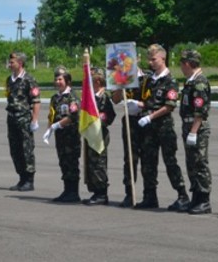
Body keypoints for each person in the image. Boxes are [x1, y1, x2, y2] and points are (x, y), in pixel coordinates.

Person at [132, 44, 188, 211]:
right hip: (148, 129)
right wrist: (137, 104)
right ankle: (150, 195)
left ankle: (182, 195)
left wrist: (150, 116)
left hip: (163, 127)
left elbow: (169, 105)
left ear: (163, 58)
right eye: (149, 59)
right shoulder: (149, 80)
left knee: (170, 162)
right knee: (148, 162)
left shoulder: (170, 81)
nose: (151, 62)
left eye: (153, 59)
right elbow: (146, 99)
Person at [178, 50, 212, 214]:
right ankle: (196, 197)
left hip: (196, 127)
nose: (181, 67)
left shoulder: (199, 82)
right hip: (189, 126)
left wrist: (193, 132)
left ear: (187, 64)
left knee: (199, 163)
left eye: (182, 63)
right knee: (191, 164)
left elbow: (200, 110)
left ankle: (204, 200)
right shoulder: (190, 81)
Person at [111, 64, 148, 207]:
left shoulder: (147, 79)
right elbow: (115, 99)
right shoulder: (123, 79)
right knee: (130, 159)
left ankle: (149, 194)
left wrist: (139, 104)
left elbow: (153, 102)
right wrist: (120, 86)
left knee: (147, 160)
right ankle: (129, 193)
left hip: (144, 121)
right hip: (129, 122)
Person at [43, 67, 81, 203]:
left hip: (71, 136)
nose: (57, 82)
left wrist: (58, 125)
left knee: (71, 163)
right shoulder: (55, 98)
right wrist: (49, 130)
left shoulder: (72, 97)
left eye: (60, 79)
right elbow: (52, 115)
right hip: (60, 137)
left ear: (68, 81)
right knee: (63, 163)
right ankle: (67, 190)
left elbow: (74, 115)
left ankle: (74, 193)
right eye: (56, 79)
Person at [5, 51, 40, 191]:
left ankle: (29, 180)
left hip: (24, 117)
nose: (10, 64)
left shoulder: (29, 79)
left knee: (26, 149)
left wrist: (34, 120)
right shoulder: (9, 79)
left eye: (12, 62)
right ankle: (21, 177)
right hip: (11, 117)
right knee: (15, 149)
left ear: (20, 63)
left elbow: (36, 101)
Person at [83, 67, 117, 205]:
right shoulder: (91, 97)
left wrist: (100, 120)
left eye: (91, 78)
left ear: (97, 80)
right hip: (91, 133)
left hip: (99, 134)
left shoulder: (103, 97)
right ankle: (95, 191)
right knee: (91, 162)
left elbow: (110, 116)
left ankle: (102, 193)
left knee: (99, 163)